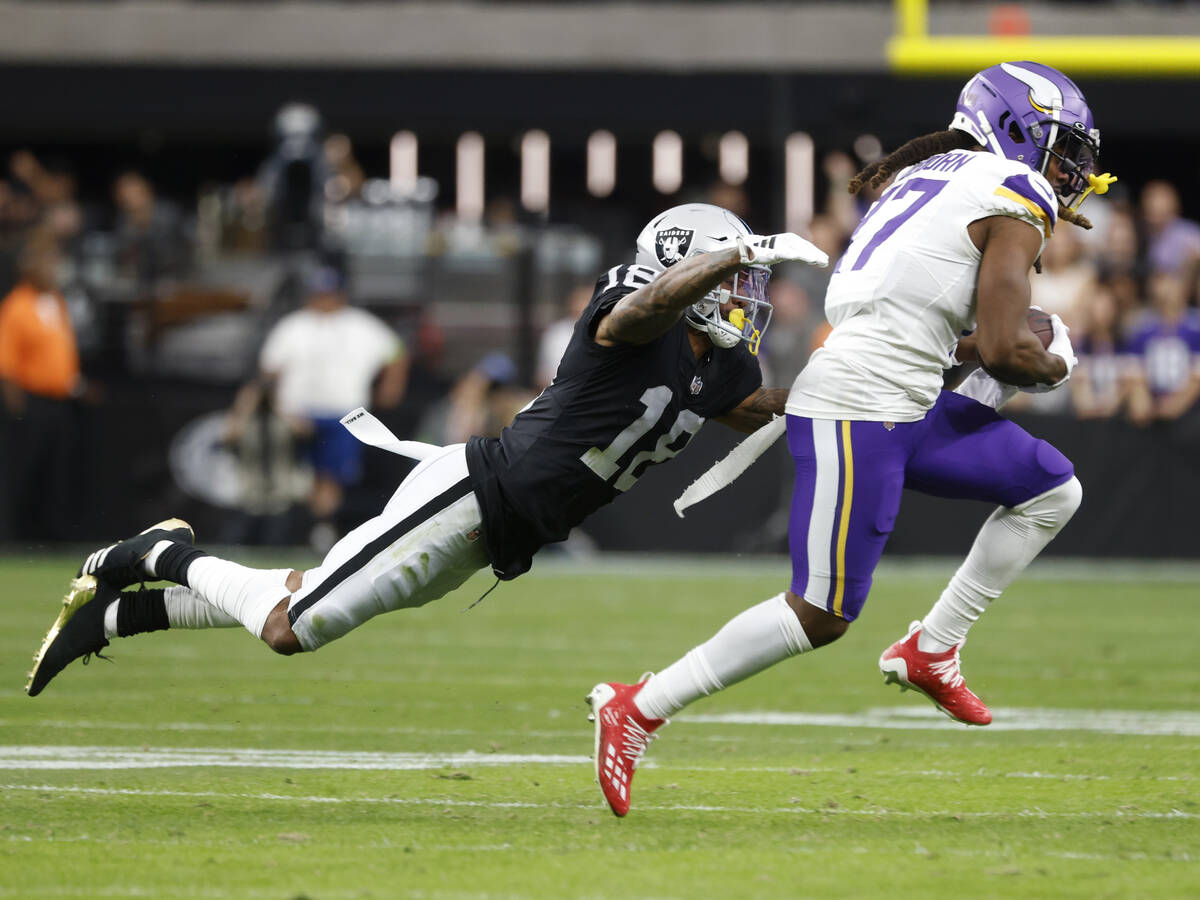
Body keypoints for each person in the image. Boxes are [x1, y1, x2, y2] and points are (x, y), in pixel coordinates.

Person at [25, 203, 828, 698]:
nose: (743, 298)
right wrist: (729, 251)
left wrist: (875, 383)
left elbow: (752, 408)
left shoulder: (723, 364)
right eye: (732, 281)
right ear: (686, 267)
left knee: (309, 600)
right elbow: (645, 311)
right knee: (291, 626)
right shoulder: (629, 309)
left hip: (505, 535)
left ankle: (122, 618)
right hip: (477, 493)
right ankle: (159, 553)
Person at [588, 61, 1112, 816]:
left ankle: (932, 648)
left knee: (1051, 488)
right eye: (1064, 149)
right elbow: (1002, 352)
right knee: (821, 613)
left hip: (897, 392)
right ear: (1018, 128)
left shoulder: (931, 177)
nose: (1073, 172)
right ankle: (637, 707)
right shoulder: (1013, 188)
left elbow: (938, 336)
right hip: (861, 407)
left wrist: (1010, 353)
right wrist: (1052, 359)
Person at [226, 260, 409, 548]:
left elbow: (396, 351)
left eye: (329, 293)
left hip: (344, 414)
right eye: (319, 293)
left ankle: (322, 530)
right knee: (299, 475)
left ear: (340, 295)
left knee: (332, 476)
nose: (324, 300)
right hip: (298, 414)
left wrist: (391, 387)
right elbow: (268, 372)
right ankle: (302, 529)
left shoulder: (360, 324)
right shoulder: (293, 326)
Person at [0, 233, 86, 540]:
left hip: (61, 400)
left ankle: (54, 538)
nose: (55, 268)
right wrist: (18, 409)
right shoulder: (17, 305)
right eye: (48, 261)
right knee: (28, 470)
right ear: (31, 267)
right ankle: (20, 538)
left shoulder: (56, 302)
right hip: (31, 401)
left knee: (58, 471)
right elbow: (7, 363)